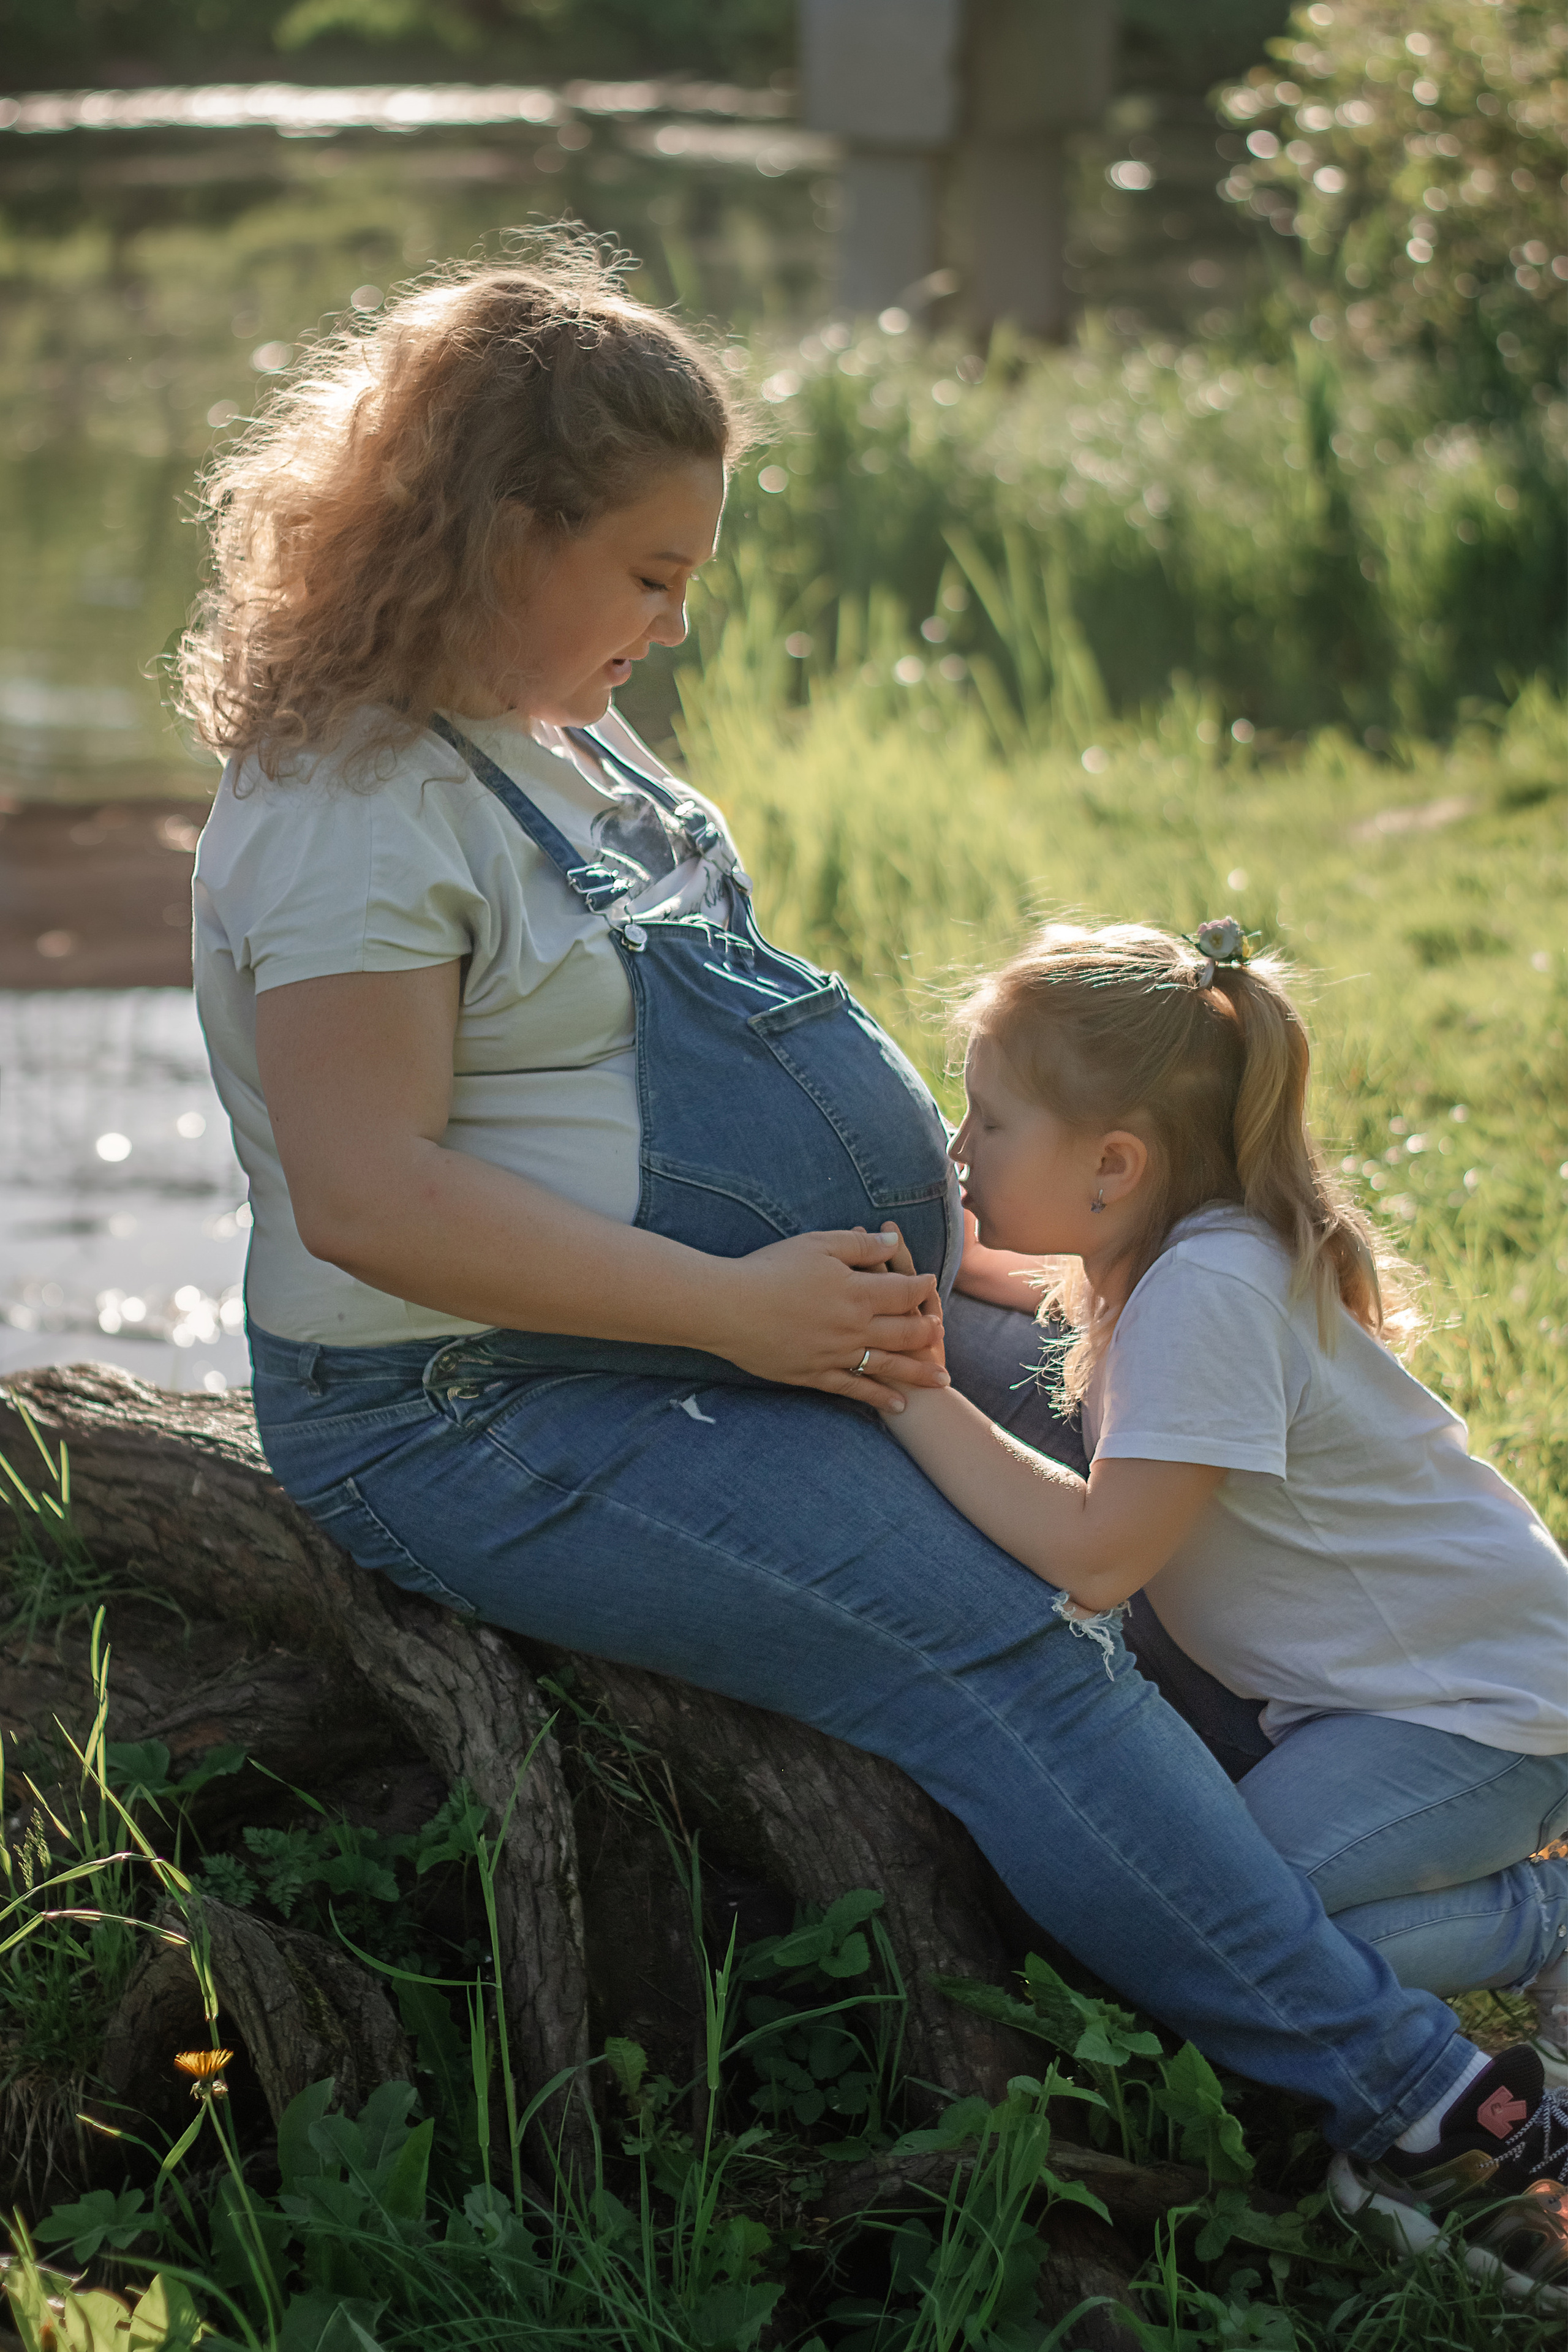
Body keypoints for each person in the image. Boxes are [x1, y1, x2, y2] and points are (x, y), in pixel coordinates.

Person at [178, 244, 1567, 2298]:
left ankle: (1427, 1856)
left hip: (737, 1334)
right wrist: (750, 1311)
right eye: (647, 571)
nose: (677, 616)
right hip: (483, 1405)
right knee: (997, 1630)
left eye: (692, 571)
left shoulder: (571, 745)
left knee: (1178, 1481)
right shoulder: (354, 811)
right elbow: (371, 1196)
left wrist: (988, 1284)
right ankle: (1433, 2117)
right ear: (496, 532)